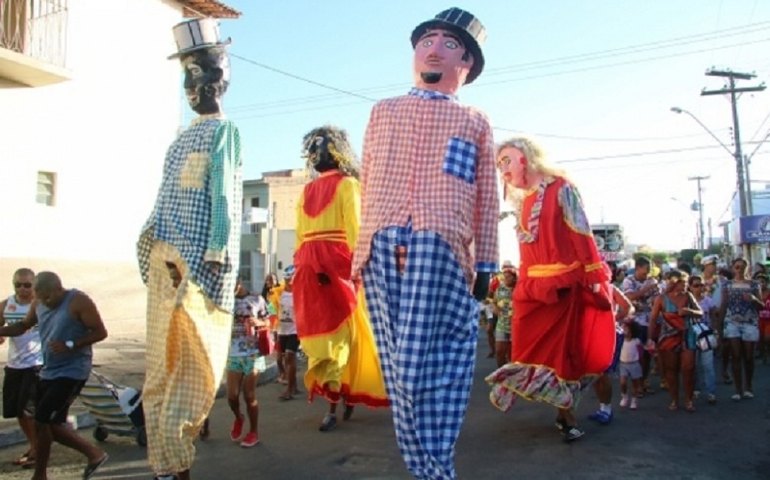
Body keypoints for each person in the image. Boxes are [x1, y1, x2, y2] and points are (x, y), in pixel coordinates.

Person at [351, 7, 498, 479]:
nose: (434, 48)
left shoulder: (474, 121)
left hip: (441, 247)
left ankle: (434, 468)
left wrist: (488, 264)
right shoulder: (383, 110)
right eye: (426, 40)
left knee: (427, 367)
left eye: (449, 44)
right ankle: (432, 471)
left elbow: (486, 196)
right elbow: (368, 180)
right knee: (397, 372)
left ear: (467, 64)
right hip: (381, 245)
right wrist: (360, 252)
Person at [135, 18, 243, 480]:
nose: (198, 84)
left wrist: (213, 256)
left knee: (195, 371)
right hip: (164, 261)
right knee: (159, 371)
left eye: (207, 73)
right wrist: (151, 250)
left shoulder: (225, 133)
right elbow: (162, 199)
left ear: (225, 78)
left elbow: (225, 196)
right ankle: (165, 466)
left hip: (199, 271)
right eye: (190, 75)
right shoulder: (177, 141)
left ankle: (177, 465)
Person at [486, 136, 616, 443]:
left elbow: (581, 233)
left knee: (566, 356)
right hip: (533, 290)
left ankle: (565, 417)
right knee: (529, 351)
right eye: (499, 163)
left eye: (507, 160)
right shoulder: (523, 200)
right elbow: (526, 253)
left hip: (565, 288)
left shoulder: (562, 188)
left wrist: (594, 274)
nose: (502, 169)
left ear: (527, 158)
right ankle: (518, 387)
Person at [293, 126, 389, 433]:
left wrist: (357, 268)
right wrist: (300, 267)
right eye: (311, 149)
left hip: (338, 269)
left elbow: (357, 230)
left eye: (319, 147)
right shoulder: (306, 191)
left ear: (336, 150)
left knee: (339, 337)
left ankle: (335, 401)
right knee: (318, 334)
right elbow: (298, 236)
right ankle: (336, 394)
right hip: (310, 269)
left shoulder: (349, 185)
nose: (314, 154)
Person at [0, 272, 109, 480]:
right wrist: (2, 331)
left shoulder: (78, 301)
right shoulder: (38, 303)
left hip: (73, 371)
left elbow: (100, 332)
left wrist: (71, 345)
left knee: (43, 421)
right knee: (45, 424)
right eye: (41, 298)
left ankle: (94, 454)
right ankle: (41, 474)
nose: (45, 303)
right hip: (49, 370)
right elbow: (22, 326)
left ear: (59, 289)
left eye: (49, 298)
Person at [0, 268, 42, 468]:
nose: (23, 289)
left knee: (28, 410)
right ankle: (34, 446)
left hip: (36, 364)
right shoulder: (7, 304)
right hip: (14, 364)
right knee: (17, 411)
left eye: (27, 285)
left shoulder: (41, 305)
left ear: (34, 285)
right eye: (18, 284)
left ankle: (37, 452)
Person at [648, 269, 702, 412]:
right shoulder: (661, 298)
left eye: (686, 282)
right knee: (671, 370)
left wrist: (689, 312)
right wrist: (650, 339)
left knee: (688, 368)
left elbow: (700, 312)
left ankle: (689, 400)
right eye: (682, 282)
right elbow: (653, 319)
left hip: (688, 334)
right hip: (668, 337)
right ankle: (674, 399)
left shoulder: (688, 296)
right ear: (673, 282)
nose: (685, 285)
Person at [226, 278, 268, 448]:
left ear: (241, 281)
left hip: (253, 353)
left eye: (234, 283)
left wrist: (259, 323)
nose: (232, 287)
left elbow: (269, 320)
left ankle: (253, 432)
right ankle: (238, 417)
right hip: (233, 353)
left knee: (249, 395)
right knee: (231, 396)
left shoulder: (257, 299)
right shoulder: (225, 301)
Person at [587, 283, 634, 425]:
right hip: (590, 335)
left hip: (608, 335)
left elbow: (628, 307)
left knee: (603, 373)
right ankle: (603, 408)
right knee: (595, 374)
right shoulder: (584, 287)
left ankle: (606, 409)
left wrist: (612, 319)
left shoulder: (609, 287)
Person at [718, 258, 762, 401]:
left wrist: (754, 299)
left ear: (746, 269)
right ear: (732, 268)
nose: (739, 270)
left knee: (748, 357)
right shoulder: (727, 285)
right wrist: (719, 329)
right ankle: (738, 389)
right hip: (732, 322)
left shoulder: (754, 285)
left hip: (749, 321)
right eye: (737, 267)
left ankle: (748, 386)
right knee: (735, 355)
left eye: (742, 267)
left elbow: (761, 306)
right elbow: (723, 305)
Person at [621, 255, 660, 394]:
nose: (648, 272)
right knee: (636, 355)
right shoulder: (629, 280)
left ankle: (644, 381)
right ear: (637, 268)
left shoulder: (652, 281)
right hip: (635, 322)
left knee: (648, 353)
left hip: (650, 321)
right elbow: (630, 296)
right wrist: (647, 289)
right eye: (645, 268)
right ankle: (636, 385)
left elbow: (657, 299)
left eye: (649, 269)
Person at [689, 274, 718, 404]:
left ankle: (711, 392)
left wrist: (716, 331)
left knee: (708, 365)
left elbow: (714, 315)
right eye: (696, 285)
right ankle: (695, 389)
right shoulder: (687, 301)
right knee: (693, 365)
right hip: (691, 336)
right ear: (689, 287)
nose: (699, 288)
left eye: (701, 285)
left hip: (706, 335)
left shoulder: (708, 300)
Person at [277, 266, 299, 401]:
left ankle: (289, 390)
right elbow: (273, 309)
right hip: (282, 330)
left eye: (290, 278)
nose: (287, 281)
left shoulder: (299, 293)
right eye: (286, 278)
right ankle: (294, 385)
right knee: (283, 359)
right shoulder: (278, 293)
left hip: (295, 330)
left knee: (289, 358)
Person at [492, 265, 516, 367]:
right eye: (504, 277)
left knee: (513, 355)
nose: (505, 279)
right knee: (499, 351)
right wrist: (495, 308)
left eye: (508, 277)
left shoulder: (519, 288)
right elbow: (494, 302)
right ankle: (500, 373)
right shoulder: (500, 289)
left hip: (516, 326)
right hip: (502, 325)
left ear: (514, 278)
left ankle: (512, 376)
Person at [618, 321, 643, 410]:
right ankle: (624, 396)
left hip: (634, 364)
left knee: (635, 383)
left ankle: (634, 400)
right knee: (623, 382)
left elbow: (641, 352)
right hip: (623, 364)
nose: (624, 329)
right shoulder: (621, 340)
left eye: (626, 328)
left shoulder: (636, 341)